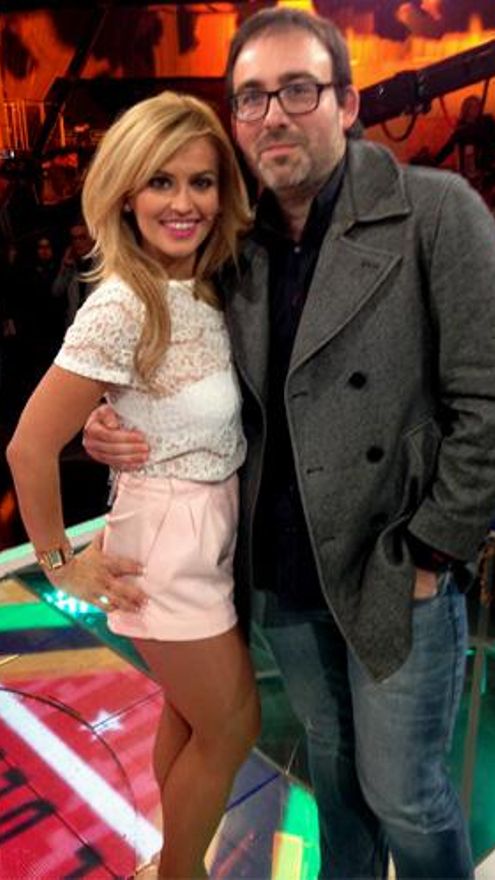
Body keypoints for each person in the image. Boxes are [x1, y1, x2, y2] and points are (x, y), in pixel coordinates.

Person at [82, 8, 495, 880]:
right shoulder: (231, 244)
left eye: (297, 90)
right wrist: (109, 417)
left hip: (394, 572)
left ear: (347, 102)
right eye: (251, 97)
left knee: (405, 796)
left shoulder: (434, 212)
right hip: (278, 575)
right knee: (334, 780)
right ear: (235, 118)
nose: (273, 114)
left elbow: (487, 400)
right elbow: (178, 364)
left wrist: (432, 548)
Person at [7, 90, 260, 880]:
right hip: (166, 547)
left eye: (200, 181)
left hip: (211, 532)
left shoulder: (209, 285)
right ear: (125, 193)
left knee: (190, 718)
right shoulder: (121, 305)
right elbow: (28, 447)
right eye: (160, 182)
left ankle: (167, 860)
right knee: (233, 727)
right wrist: (59, 563)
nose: (184, 203)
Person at [52, 220, 96, 327]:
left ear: (92, 240)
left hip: (94, 324)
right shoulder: (72, 265)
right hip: (74, 325)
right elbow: (56, 291)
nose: (77, 242)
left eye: (82, 238)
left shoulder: (100, 265)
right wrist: (65, 267)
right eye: (74, 238)